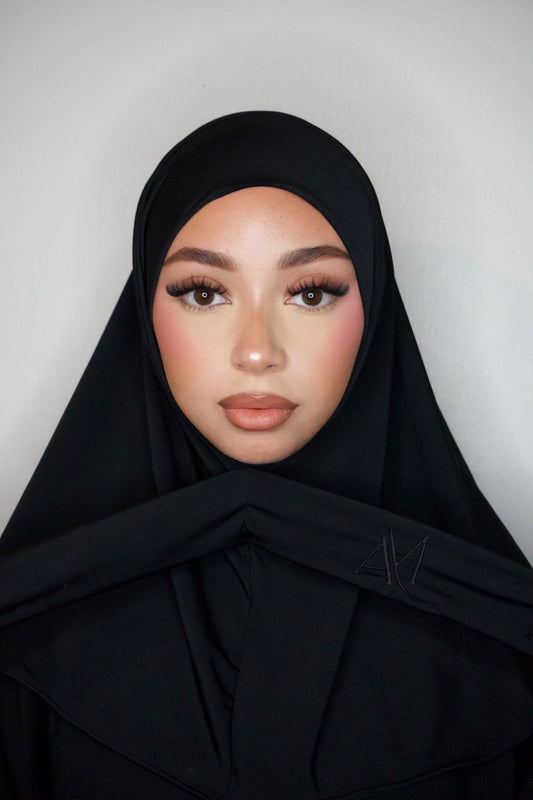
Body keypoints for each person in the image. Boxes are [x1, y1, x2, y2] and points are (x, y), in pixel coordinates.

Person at [0, 111, 532, 800]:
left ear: (374, 311)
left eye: (310, 293)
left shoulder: (490, 630)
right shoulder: (30, 623)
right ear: (144, 311)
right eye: (203, 292)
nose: (257, 351)